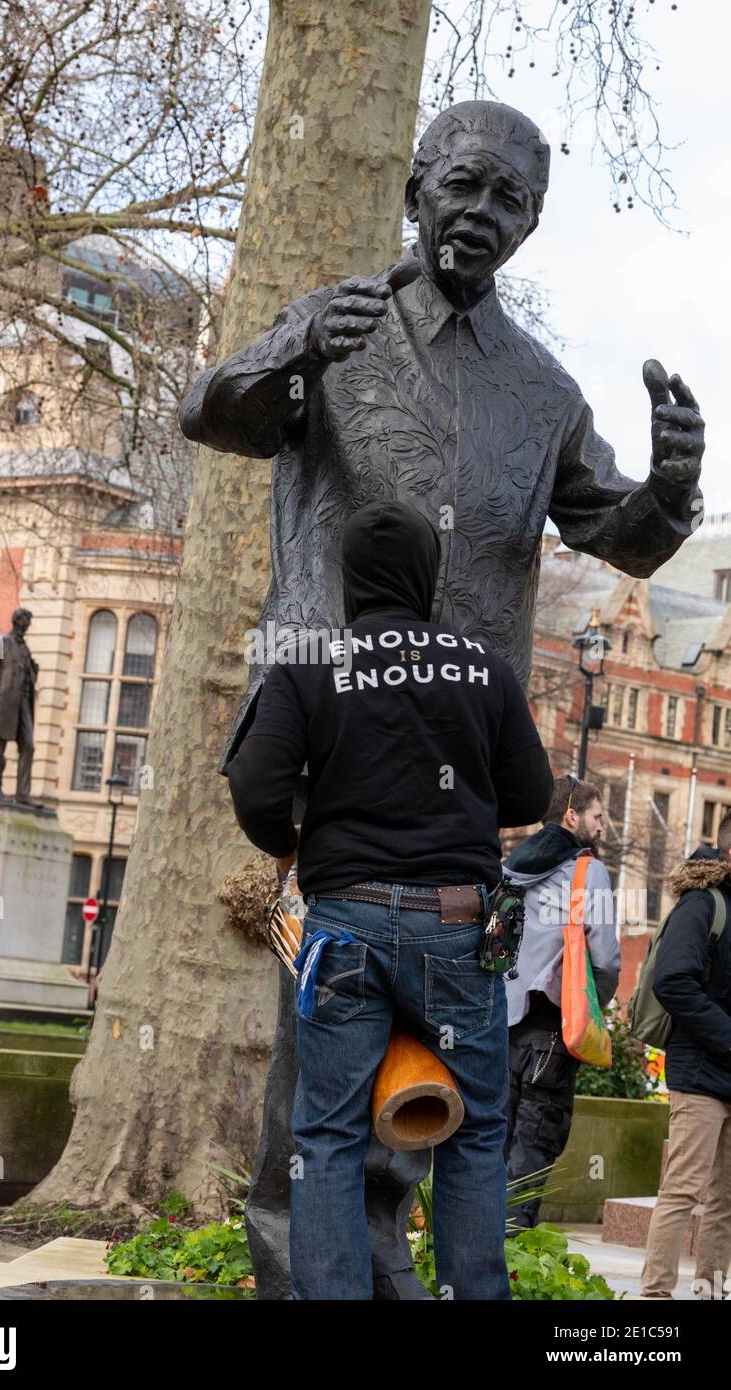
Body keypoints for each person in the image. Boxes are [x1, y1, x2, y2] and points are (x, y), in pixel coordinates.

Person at [180, 98, 705, 1297]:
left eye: (507, 200)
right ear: (415, 186)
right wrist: (291, 352)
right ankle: (320, 1279)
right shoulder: (335, 321)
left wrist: (669, 488)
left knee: (428, 1075)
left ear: (528, 226)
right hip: (332, 729)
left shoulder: (542, 390)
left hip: (462, 757)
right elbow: (211, 412)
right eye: (462, 185)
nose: (481, 213)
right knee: (319, 1076)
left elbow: (613, 532)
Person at [227, 500, 553, 1300]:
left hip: (344, 926)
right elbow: (533, 793)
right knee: (475, 1133)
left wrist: (288, 841)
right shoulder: (483, 668)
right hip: (456, 922)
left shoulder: (308, 668)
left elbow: (255, 783)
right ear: (425, 577)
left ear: (348, 582)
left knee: (329, 1135)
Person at [503, 774, 620, 1227]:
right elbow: (607, 959)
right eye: (596, 816)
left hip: (504, 1022)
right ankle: (512, 1253)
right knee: (536, 1141)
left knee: (496, 1141)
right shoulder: (590, 873)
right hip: (553, 1027)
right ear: (572, 816)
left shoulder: (510, 866)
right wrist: (593, 1005)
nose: (601, 827)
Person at [640, 811, 731, 1300]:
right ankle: (655, 1300)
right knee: (682, 1193)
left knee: (726, 1202)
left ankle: (712, 1294)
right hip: (699, 1071)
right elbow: (672, 980)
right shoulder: (703, 905)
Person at [0, 607, 38, 804]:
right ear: (18, 621)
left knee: (28, 745)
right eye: (26, 622)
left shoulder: (25, 648)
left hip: (24, 703)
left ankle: (23, 794)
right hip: (4, 700)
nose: (28, 626)